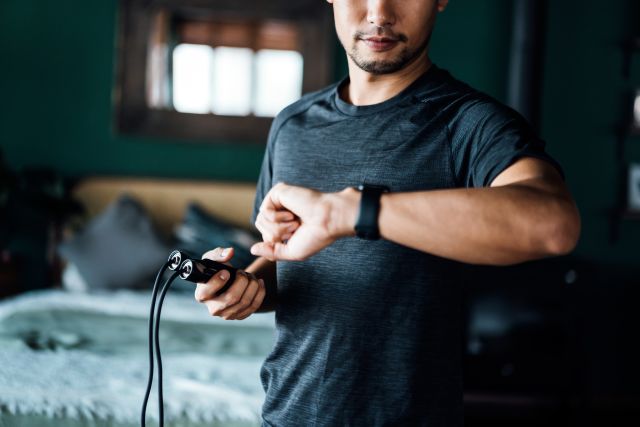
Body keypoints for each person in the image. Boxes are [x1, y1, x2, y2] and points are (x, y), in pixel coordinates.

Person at [194, 0, 581, 425]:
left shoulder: (469, 123)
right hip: (286, 413)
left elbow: (552, 224)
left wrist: (353, 212)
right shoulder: (292, 125)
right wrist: (249, 287)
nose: (379, 12)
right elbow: (283, 257)